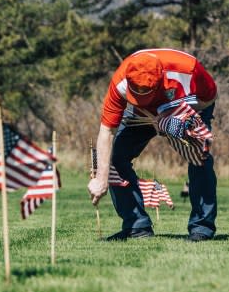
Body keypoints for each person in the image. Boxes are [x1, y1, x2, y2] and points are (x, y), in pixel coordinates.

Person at [87, 49, 218, 241]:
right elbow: (107, 131)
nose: (140, 98)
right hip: (142, 115)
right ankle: (137, 226)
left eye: (145, 94)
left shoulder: (187, 70)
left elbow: (209, 98)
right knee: (115, 157)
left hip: (185, 108)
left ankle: (202, 226)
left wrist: (176, 116)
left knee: (200, 157)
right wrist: (101, 178)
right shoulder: (120, 81)